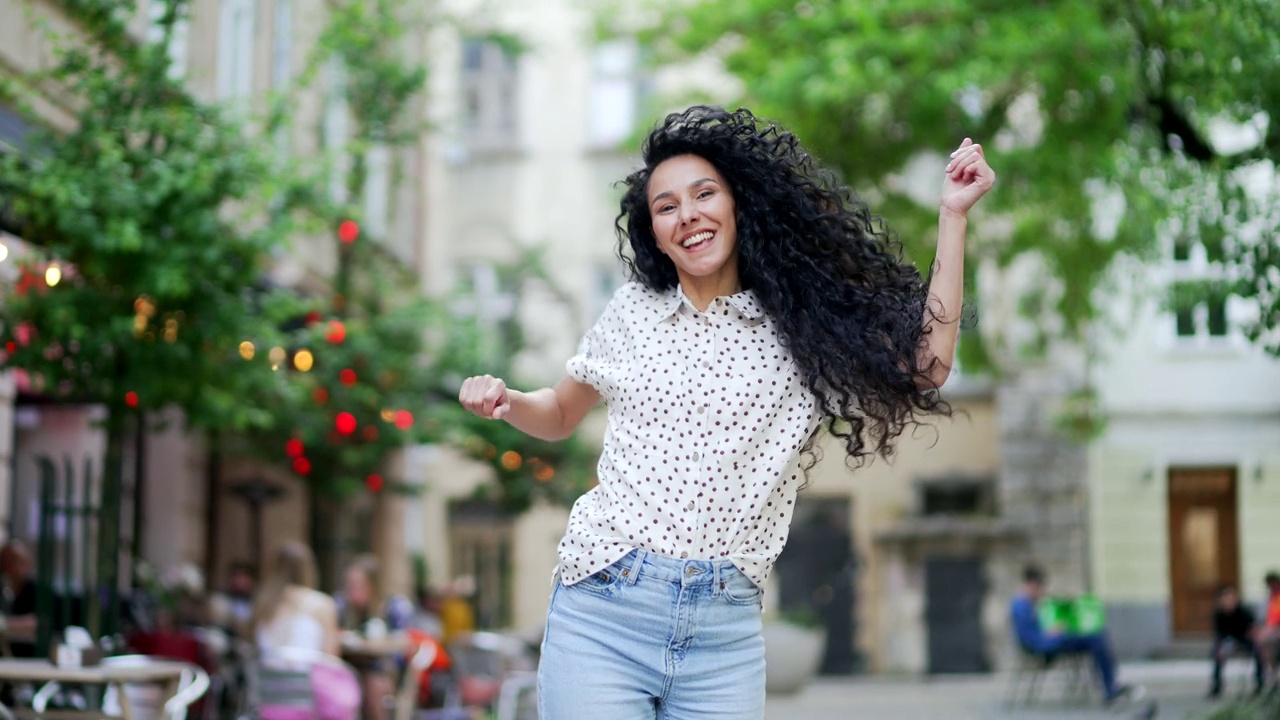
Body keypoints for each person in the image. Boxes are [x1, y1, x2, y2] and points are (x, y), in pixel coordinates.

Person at [458, 105, 994, 719]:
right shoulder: (633, 313)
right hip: (605, 608)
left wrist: (952, 217)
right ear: (654, 232)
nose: (688, 214)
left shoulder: (804, 328)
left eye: (704, 194)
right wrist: (507, 401)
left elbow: (928, 365)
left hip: (724, 630)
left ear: (739, 205)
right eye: (666, 206)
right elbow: (557, 412)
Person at [1010, 565, 1137, 705]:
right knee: (1096, 639)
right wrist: (1052, 632)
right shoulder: (1021, 605)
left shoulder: (1026, 603)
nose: (1041, 593)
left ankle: (1110, 685)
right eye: (1040, 588)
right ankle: (1110, 687)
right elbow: (1032, 637)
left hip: (1049, 641)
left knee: (1096, 637)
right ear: (1033, 585)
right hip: (1046, 644)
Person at [333, 555, 413, 720]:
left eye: (358, 585)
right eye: (349, 585)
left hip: (381, 670)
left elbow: (402, 643)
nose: (351, 591)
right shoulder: (340, 606)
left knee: (372, 684)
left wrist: (372, 644)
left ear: (373, 586)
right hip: (346, 667)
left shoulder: (393, 607)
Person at [253, 541, 341, 657]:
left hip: (264, 674)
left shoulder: (263, 603)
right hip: (307, 673)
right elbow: (331, 655)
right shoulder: (321, 603)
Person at [1208, 583, 1264, 698]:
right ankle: (1217, 686)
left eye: (1231, 599)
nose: (1228, 602)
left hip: (1244, 640)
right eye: (1226, 599)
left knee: (1258, 651)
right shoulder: (1219, 614)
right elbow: (1220, 633)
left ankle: (1259, 683)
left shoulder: (1244, 612)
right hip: (1229, 641)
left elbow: (1252, 629)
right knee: (1217, 652)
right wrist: (1226, 644)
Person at [0, 539, 38, 657]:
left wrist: (4, 624)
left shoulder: (33, 589)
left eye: (17, 561)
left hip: (31, 656)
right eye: (8, 561)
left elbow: (39, 623)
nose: (12, 566)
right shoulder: (4, 588)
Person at [1258, 571, 1280, 687]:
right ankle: (1271, 672)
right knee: (1263, 641)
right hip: (1271, 629)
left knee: (1267, 639)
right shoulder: (1269, 598)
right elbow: (1265, 617)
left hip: (1275, 630)